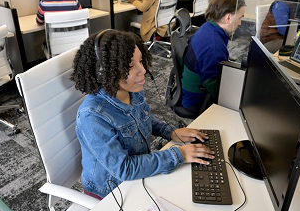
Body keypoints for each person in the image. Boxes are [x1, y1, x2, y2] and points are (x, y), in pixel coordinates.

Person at [71, 30, 214, 199]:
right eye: (130, 65)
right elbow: (124, 169)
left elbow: (143, 118)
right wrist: (179, 154)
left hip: (138, 173)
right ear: (104, 72)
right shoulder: (92, 116)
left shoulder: (132, 91)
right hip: (111, 191)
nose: (143, 70)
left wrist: (170, 132)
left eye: (140, 61)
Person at [181, 0, 246, 115]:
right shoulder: (214, 48)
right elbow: (217, 91)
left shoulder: (208, 27)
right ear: (228, 18)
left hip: (192, 88)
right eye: (240, 18)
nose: (240, 23)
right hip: (197, 101)